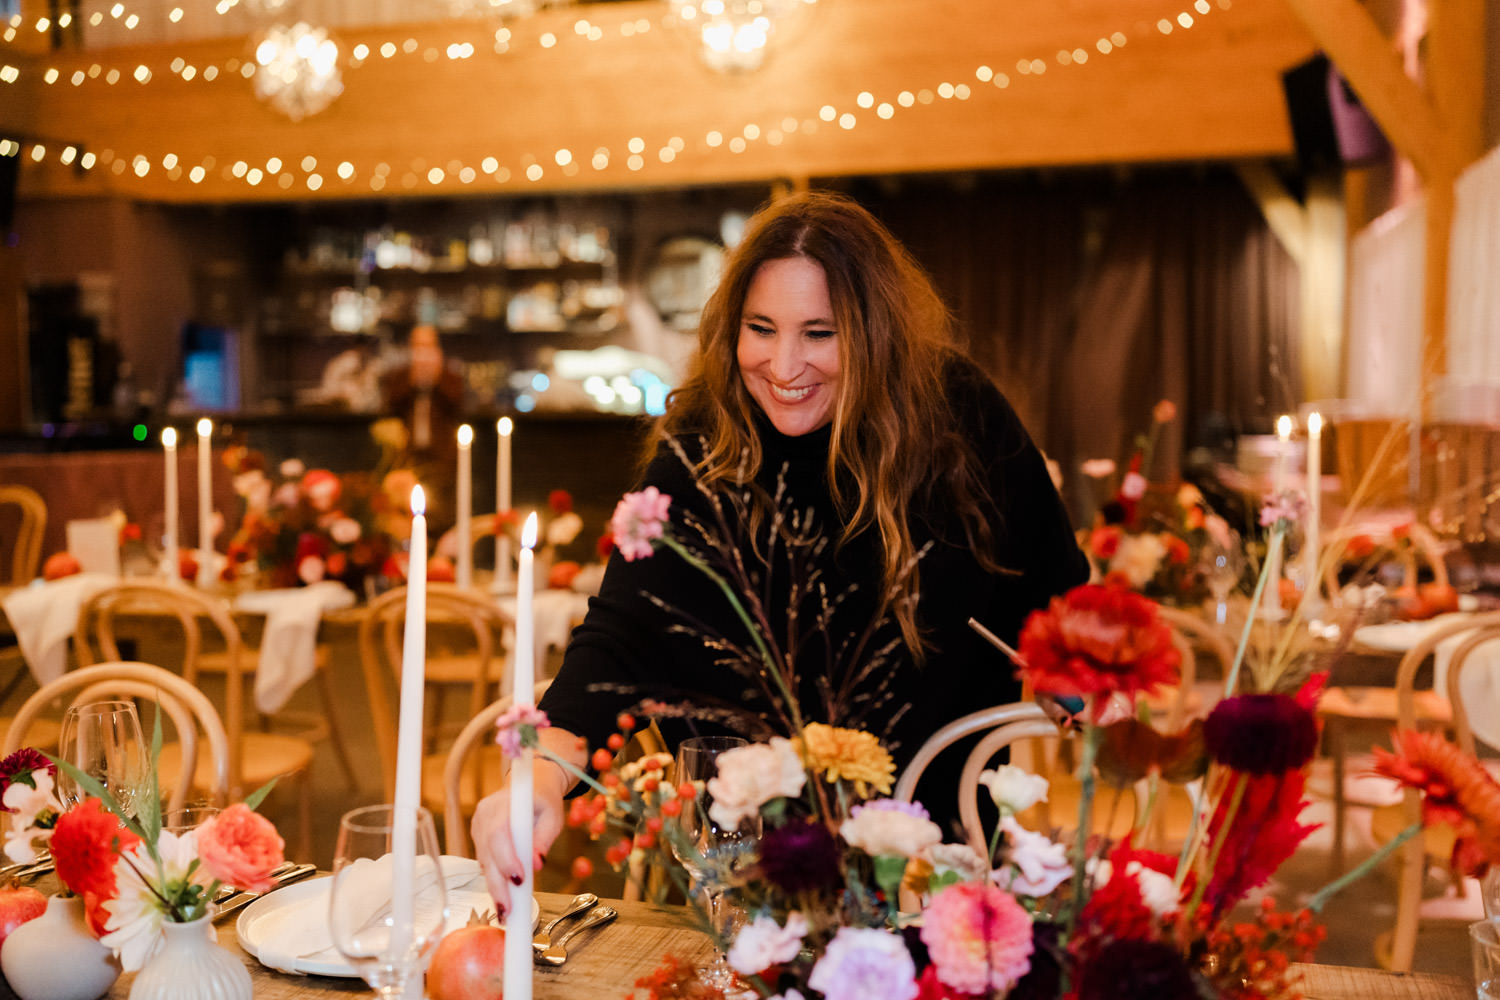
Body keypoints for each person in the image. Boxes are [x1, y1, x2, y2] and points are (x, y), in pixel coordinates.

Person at [473, 190, 1088, 906]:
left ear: (876, 331)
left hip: (931, 861)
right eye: (760, 328)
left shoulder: (959, 414)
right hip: (742, 866)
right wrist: (546, 767)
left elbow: (1058, 595)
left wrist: (1075, 669)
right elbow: (625, 629)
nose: (783, 364)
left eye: (820, 333)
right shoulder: (705, 437)